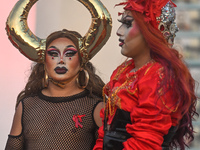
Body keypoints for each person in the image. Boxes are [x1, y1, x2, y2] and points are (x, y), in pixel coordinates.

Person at [94, 0, 198, 150]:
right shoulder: (123, 71)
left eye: (128, 24)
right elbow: (105, 131)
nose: (119, 31)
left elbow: (145, 143)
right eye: (121, 23)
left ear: (150, 30)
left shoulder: (160, 76)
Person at [5, 29, 105, 150]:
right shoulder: (26, 106)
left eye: (69, 54)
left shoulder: (96, 107)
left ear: (81, 62)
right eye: (53, 54)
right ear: (43, 61)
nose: (61, 60)